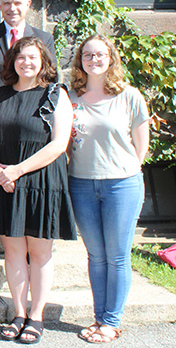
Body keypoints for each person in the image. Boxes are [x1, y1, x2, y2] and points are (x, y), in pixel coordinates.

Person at [0, 37, 76, 344]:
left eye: (33, 57)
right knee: (12, 251)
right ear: (12, 62)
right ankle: (18, 312)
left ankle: (36, 316)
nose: (26, 63)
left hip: (41, 181)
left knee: (39, 252)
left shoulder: (55, 94)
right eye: (20, 57)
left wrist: (17, 170)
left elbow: (59, 144)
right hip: (5, 182)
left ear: (44, 61)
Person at [0, 0, 58, 268]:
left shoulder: (43, 37)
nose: (12, 8)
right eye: (6, 2)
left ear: (28, 5)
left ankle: (33, 241)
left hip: (31, 119)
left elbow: (51, 78)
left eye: (17, 2)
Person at [68, 34, 149, 344]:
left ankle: (111, 322)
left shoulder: (129, 96)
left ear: (111, 58)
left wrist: (123, 171)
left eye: (100, 54)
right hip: (82, 184)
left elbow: (141, 146)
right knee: (96, 256)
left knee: (116, 256)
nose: (94, 59)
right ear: (80, 61)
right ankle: (100, 317)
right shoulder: (71, 97)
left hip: (121, 185)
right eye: (88, 55)